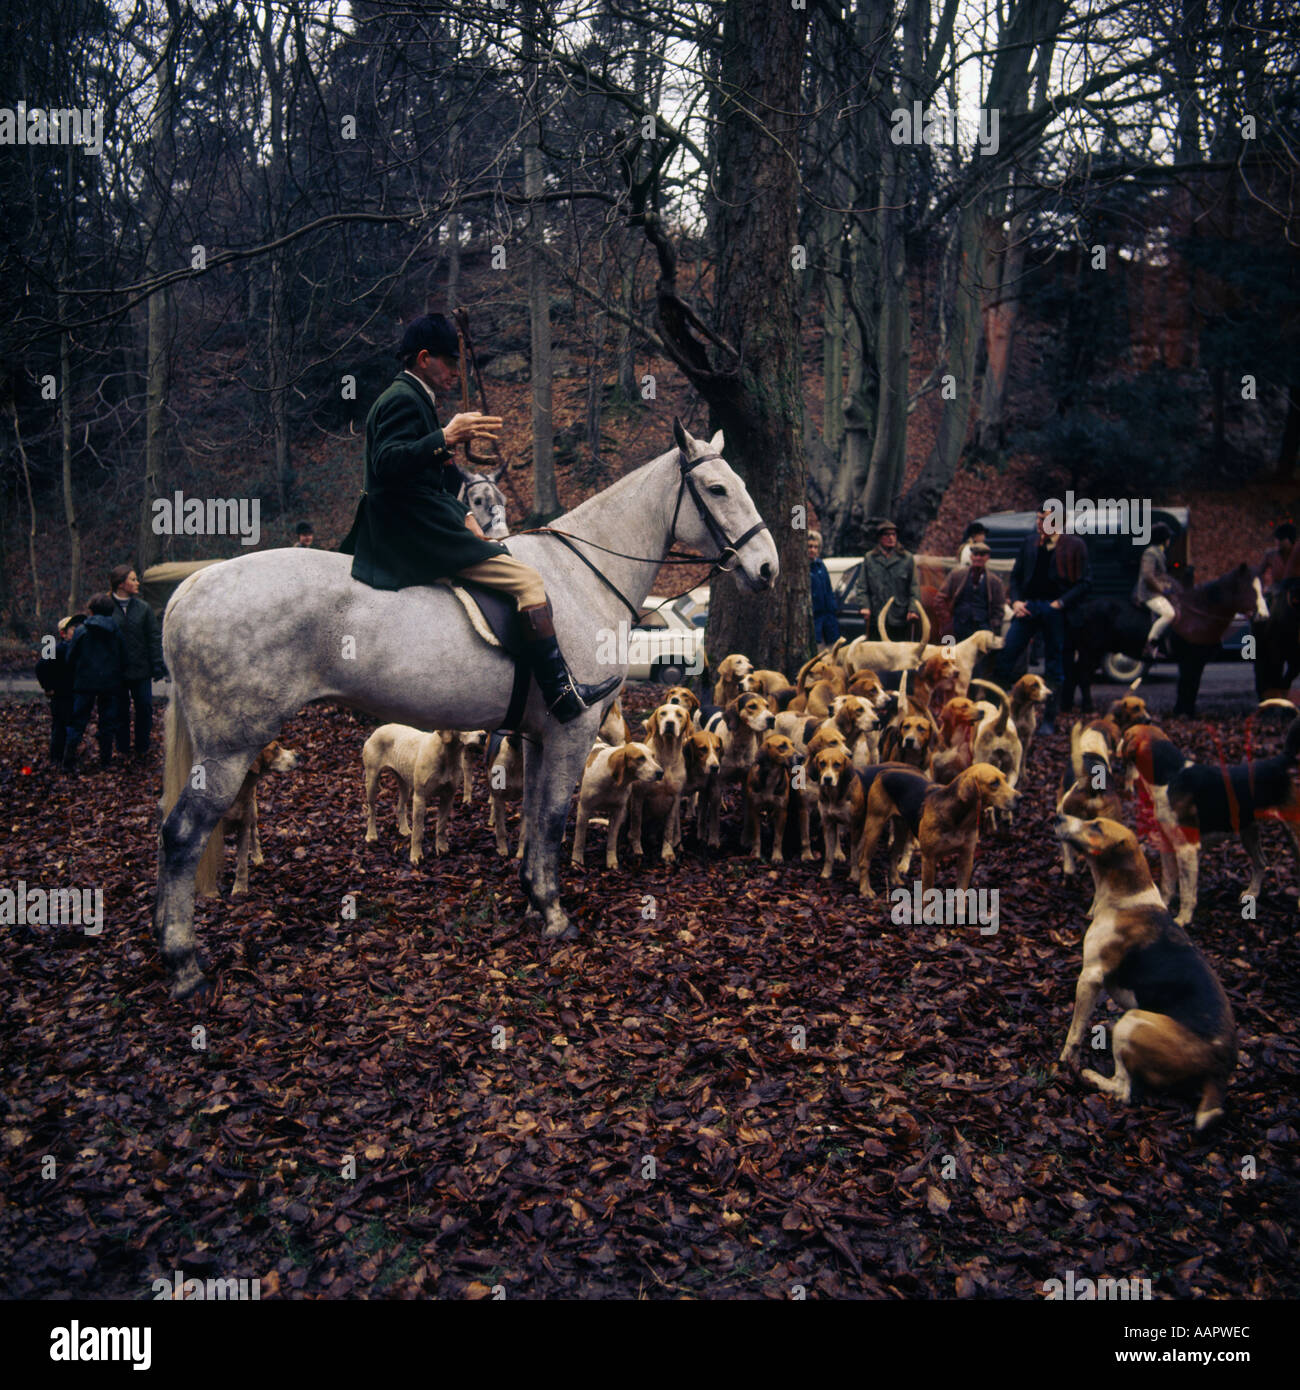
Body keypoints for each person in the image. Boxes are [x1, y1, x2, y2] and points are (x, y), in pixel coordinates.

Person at [340, 313, 620, 723]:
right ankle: (560, 693)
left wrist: (464, 515)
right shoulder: (402, 398)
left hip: (421, 521)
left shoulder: (414, 397)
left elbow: (425, 479)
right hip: (409, 531)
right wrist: (445, 437)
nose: (456, 371)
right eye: (449, 362)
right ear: (422, 359)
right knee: (527, 580)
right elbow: (386, 465)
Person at [995, 504, 1092, 734]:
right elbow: (1017, 577)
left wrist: (1061, 602)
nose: (1039, 524)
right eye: (1038, 519)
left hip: (1055, 609)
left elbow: (1085, 582)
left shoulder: (1074, 545)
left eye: (1044, 520)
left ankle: (1048, 720)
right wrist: (1016, 602)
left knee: (1055, 663)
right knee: (1007, 654)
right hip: (1028, 607)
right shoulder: (1030, 542)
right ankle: (1000, 710)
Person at [64, 595, 128, 774]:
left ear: (91, 611)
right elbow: (124, 658)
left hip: (84, 683)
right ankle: (105, 762)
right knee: (107, 723)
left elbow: (70, 657)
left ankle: (68, 762)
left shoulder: (81, 631)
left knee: (77, 722)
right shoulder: (116, 631)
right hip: (110, 683)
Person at [109, 564, 166, 762]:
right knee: (120, 711)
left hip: (141, 670)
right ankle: (122, 747)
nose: (137, 583)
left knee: (144, 708)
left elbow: (153, 636)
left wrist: (158, 664)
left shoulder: (143, 608)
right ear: (121, 584)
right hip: (116, 672)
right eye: (133, 579)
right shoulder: (106, 607)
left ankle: (142, 747)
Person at [850, 519, 923, 642]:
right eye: (887, 535)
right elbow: (862, 587)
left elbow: (914, 587)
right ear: (879, 538)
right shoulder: (870, 558)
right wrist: (865, 606)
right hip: (876, 617)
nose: (891, 538)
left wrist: (913, 610)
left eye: (894, 535)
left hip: (899, 617)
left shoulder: (907, 559)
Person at [35, 613, 85, 766]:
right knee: (60, 727)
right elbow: (40, 666)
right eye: (73, 629)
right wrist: (48, 687)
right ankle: (56, 758)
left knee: (71, 725)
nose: (77, 631)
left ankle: (68, 757)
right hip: (61, 695)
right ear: (63, 633)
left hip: (75, 694)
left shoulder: (80, 649)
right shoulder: (56, 649)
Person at [937, 542, 1007, 643]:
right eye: (975, 554)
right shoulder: (956, 575)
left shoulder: (995, 582)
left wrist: (993, 627)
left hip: (982, 629)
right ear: (971, 556)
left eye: (982, 555)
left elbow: (999, 608)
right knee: (948, 655)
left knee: (979, 658)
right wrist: (947, 620)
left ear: (987, 558)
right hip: (957, 627)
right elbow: (940, 599)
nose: (978, 558)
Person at [1134, 522, 1178, 661]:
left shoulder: (1159, 552)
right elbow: (1148, 575)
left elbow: (1159, 576)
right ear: (1164, 539)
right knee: (1170, 614)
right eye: (1168, 538)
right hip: (1148, 594)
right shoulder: (1151, 553)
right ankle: (1150, 644)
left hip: (1155, 592)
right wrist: (1162, 590)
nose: (1169, 541)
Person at [808, 530, 839, 648]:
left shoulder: (821, 565)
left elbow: (829, 590)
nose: (813, 550)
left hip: (828, 618)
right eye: (810, 546)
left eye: (816, 547)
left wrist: (833, 608)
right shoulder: (804, 568)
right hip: (814, 618)